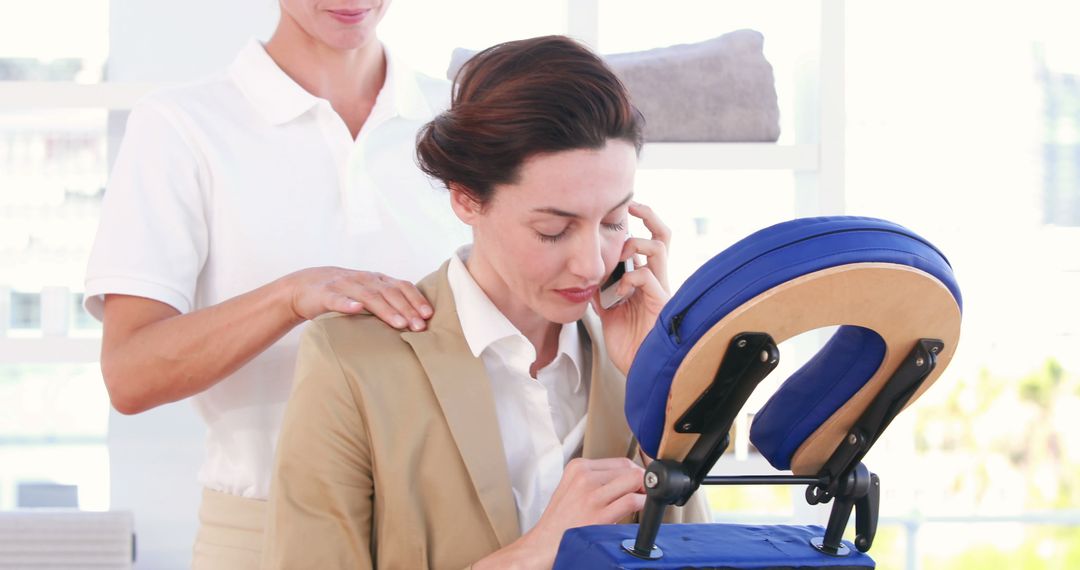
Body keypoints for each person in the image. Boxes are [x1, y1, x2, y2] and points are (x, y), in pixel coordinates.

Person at [263, 35, 711, 569]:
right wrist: (537, 553)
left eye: (613, 221)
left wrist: (660, 381)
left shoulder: (633, 366)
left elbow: (692, 553)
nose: (592, 264)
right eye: (553, 229)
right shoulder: (353, 362)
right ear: (466, 199)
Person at [83, 1, 468, 567]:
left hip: (457, 534)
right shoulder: (182, 124)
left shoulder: (467, 117)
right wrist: (291, 297)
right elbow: (130, 375)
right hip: (263, 538)